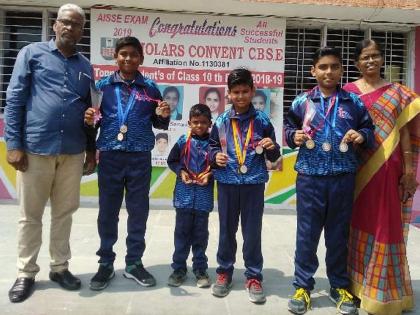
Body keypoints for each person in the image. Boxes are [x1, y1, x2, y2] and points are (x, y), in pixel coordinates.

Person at [4, 3, 96, 303]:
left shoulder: (86, 67)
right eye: (65, 22)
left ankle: (59, 267)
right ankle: (26, 273)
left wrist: (91, 151)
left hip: (71, 151)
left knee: (64, 213)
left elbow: (91, 112)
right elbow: (15, 99)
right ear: (55, 25)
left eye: (77, 24)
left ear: (83, 31)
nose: (70, 28)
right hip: (35, 149)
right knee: (30, 216)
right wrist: (13, 144)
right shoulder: (31, 53)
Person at [284, 47, 375, 315]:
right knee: (307, 235)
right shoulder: (302, 102)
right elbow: (288, 128)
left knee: (338, 235)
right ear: (313, 71)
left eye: (334, 66)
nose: (329, 72)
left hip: (343, 177)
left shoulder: (354, 103)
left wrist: (361, 136)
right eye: (323, 67)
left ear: (341, 70)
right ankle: (302, 286)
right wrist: (293, 137)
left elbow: (368, 129)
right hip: (310, 178)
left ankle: (339, 286)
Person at [84, 36, 170, 291]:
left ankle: (134, 263)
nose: (128, 58)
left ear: (141, 59)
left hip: (139, 157)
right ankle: (106, 263)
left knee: (138, 211)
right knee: (107, 212)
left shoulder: (150, 88)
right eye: (123, 54)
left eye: (133, 54)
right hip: (110, 155)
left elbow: (159, 123)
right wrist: (89, 119)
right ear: (116, 57)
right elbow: (94, 122)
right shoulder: (102, 87)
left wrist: (163, 116)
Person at [343, 39, 420, 315]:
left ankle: (384, 293)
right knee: (356, 223)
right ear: (356, 63)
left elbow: (408, 134)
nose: (371, 61)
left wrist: (410, 171)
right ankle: (355, 285)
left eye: (375, 56)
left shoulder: (399, 93)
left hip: (389, 170)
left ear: (382, 60)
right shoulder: (347, 93)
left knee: (386, 227)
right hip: (356, 171)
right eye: (365, 57)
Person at [209, 68, 281, 304]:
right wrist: (214, 156)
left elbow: (274, 154)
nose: (240, 96)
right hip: (227, 183)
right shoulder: (220, 121)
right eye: (236, 92)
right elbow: (210, 147)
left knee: (252, 232)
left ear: (253, 91)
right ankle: (224, 272)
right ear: (228, 94)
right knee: (226, 230)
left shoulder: (262, 120)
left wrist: (271, 146)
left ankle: (253, 275)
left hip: (253, 184)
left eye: (245, 91)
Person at [166, 103, 214, 288]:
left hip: (203, 199)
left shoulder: (214, 145)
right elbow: (172, 160)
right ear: (189, 123)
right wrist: (181, 172)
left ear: (210, 123)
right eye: (195, 122)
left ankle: (200, 269)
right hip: (183, 197)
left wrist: (210, 175)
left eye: (203, 122)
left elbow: (219, 167)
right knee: (181, 234)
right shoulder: (182, 141)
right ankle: (179, 269)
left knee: (201, 236)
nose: (199, 126)